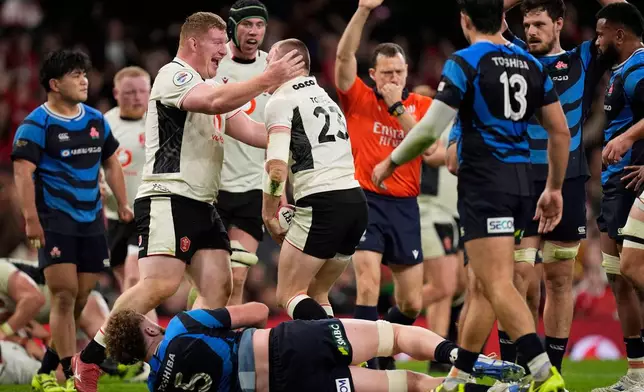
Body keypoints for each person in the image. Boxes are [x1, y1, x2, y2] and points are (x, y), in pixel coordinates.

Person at [71, 12, 305, 392]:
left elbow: (248, 130)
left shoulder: (216, 84)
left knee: (218, 289)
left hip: (202, 203)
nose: (225, 50)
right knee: (160, 284)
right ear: (194, 42)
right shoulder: (174, 75)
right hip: (168, 195)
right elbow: (211, 103)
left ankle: (185, 359)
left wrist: (295, 136)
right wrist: (267, 79)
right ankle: (90, 359)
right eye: (218, 42)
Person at [371, 0, 572, 390]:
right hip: (523, 184)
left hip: (486, 185)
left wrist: (391, 163)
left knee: (496, 283)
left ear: (465, 21)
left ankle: (546, 378)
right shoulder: (530, 63)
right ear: (501, 19)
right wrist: (555, 188)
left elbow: (430, 133)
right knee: (480, 285)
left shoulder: (466, 61)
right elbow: (560, 131)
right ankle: (460, 376)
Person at [499, 0, 619, 373]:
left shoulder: (584, 58)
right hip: (520, 178)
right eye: (526, 24)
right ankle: (513, 367)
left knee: (560, 277)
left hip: (568, 178)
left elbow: (622, 16)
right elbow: (485, 11)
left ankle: (551, 372)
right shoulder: (512, 53)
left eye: (539, 24)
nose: (531, 31)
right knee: (518, 274)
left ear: (559, 24)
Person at [11, 49, 132, 391]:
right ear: (54, 84)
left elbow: (111, 162)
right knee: (63, 297)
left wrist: (122, 203)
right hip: (54, 220)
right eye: (76, 75)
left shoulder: (95, 118)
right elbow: (23, 173)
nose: (84, 81)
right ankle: (72, 374)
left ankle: (44, 372)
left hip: (92, 220)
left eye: (85, 74)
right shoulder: (37, 123)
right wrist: (31, 219)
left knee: (80, 299)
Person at [103, 302, 527, 392]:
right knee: (395, 336)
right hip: (289, 342)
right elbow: (255, 309)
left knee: (411, 386)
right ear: (145, 327)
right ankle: (470, 361)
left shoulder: (157, 387)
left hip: (291, 388)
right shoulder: (178, 326)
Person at [334, 0, 434, 369]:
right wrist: (362, 11)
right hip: (366, 199)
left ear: (408, 73)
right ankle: (366, 362)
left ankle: (380, 346)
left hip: (405, 205)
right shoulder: (358, 98)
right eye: (386, 73)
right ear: (373, 74)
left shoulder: (421, 106)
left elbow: (429, 145)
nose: (393, 79)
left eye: (399, 72)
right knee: (368, 283)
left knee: (411, 303)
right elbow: (344, 57)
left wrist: (397, 108)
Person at [261, 39, 368, 321]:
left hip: (322, 205)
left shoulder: (281, 101)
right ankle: (341, 358)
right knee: (318, 292)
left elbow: (276, 169)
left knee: (288, 294)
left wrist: (269, 213)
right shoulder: (325, 97)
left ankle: (338, 345)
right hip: (355, 203)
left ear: (291, 64)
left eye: (270, 58)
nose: (265, 66)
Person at [590, 3, 644, 391]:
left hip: (631, 183)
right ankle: (637, 374)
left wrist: (627, 139)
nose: (597, 41)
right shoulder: (620, 72)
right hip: (614, 184)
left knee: (633, 271)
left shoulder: (639, 69)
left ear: (619, 35)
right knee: (617, 277)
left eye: (601, 34)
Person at [211, 0, 271, 306]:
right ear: (232, 27)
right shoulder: (214, 66)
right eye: (247, 24)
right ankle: (192, 343)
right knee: (210, 280)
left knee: (237, 279)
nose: (254, 31)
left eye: (259, 25)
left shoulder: (273, 69)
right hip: (212, 188)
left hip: (252, 189)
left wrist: (280, 188)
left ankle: (229, 352)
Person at [102, 66, 153, 318]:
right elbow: (95, 166)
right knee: (126, 284)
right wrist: (99, 186)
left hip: (147, 212)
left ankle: (125, 341)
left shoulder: (158, 122)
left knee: (135, 277)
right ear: (115, 93)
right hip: (114, 215)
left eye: (142, 91)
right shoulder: (104, 124)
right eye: (130, 92)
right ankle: (142, 343)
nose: (137, 97)